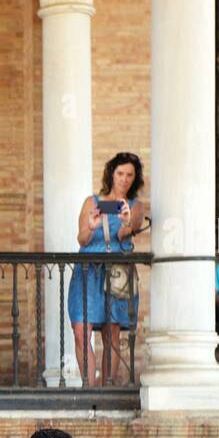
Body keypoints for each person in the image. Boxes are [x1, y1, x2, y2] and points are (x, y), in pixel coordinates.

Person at [69, 153, 146, 386]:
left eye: (130, 175)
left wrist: (125, 221)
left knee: (111, 333)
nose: (124, 179)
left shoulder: (136, 207)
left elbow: (126, 234)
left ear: (135, 178)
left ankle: (107, 389)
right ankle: (89, 390)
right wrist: (92, 226)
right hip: (87, 272)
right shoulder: (91, 202)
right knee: (81, 330)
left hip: (117, 274)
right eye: (120, 173)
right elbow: (82, 239)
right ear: (111, 174)